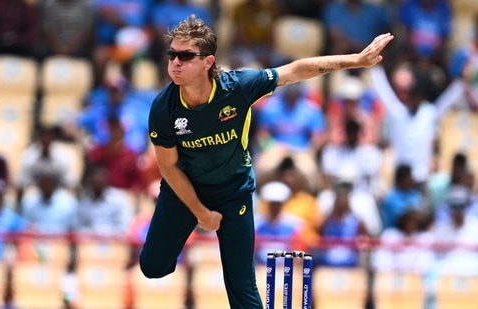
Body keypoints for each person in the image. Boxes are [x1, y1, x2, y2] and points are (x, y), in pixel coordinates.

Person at [140, 14, 393, 309]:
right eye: (172, 54)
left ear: (208, 62)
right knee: (152, 267)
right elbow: (168, 166)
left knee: (241, 286)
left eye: (185, 56)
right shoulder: (163, 107)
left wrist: (356, 60)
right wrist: (201, 213)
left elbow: (296, 71)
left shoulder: (237, 88)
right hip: (185, 189)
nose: (175, 62)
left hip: (232, 192)